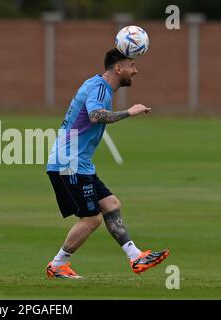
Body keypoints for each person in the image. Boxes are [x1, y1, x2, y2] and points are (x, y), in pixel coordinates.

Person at [46, 48, 169, 279]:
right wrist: (129, 112)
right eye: (131, 65)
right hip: (69, 162)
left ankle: (135, 257)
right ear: (118, 67)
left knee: (111, 204)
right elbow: (95, 115)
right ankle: (57, 265)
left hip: (78, 162)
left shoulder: (97, 85)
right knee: (92, 218)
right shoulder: (99, 88)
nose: (136, 70)